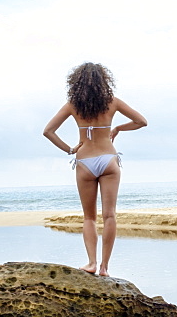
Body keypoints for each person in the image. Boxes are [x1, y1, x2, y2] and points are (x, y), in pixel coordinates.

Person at [43, 62, 146, 276]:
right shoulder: (112, 102)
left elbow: (48, 131)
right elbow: (141, 121)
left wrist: (70, 149)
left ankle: (91, 262)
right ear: (104, 81)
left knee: (89, 217)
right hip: (108, 159)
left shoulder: (73, 105)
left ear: (77, 83)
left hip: (85, 161)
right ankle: (104, 268)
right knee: (110, 216)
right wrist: (118, 128)